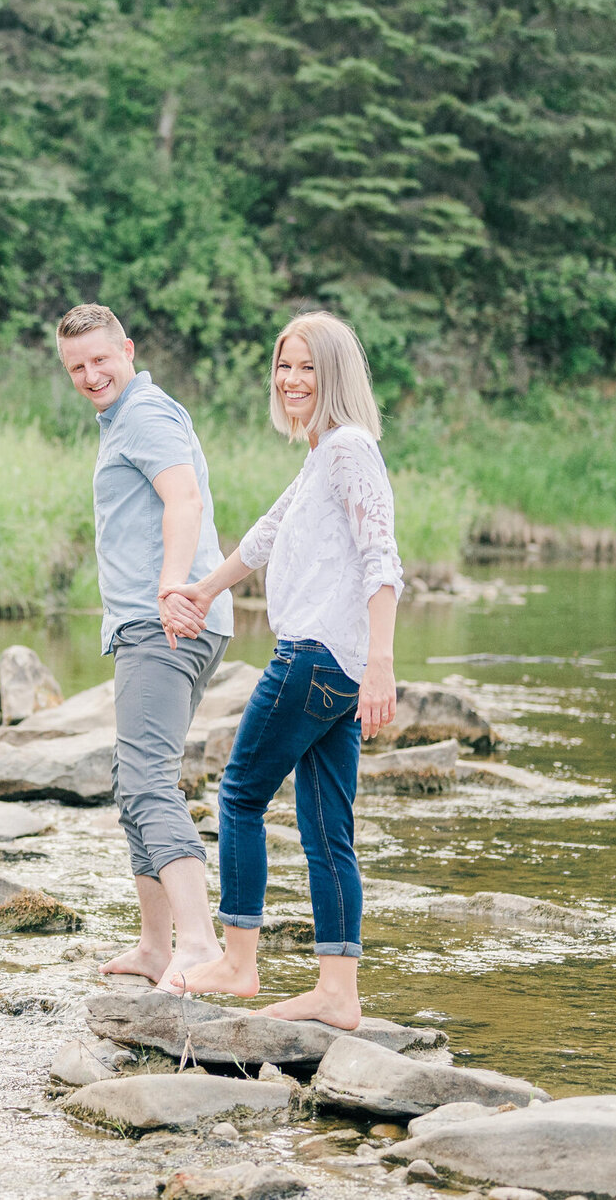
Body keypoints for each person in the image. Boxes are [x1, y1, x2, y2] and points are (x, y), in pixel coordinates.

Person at [158, 310, 401, 1023]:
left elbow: (381, 555)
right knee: (329, 828)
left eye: (307, 368)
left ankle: (237, 962)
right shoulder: (325, 453)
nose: (292, 380)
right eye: (284, 366)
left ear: (335, 375)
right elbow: (266, 533)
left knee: (238, 793)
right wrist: (203, 589)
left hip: (318, 655)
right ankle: (338, 992)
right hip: (337, 666)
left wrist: (383, 661)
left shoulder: (351, 448)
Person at [54, 303, 235, 992]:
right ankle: (156, 946)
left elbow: (182, 499)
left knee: (147, 781)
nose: (92, 374)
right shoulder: (129, 415)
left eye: (102, 359)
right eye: (77, 366)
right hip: (165, 621)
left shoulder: (147, 414)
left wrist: (169, 586)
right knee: (135, 780)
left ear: (126, 349)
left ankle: (198, 944)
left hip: (164, 622)